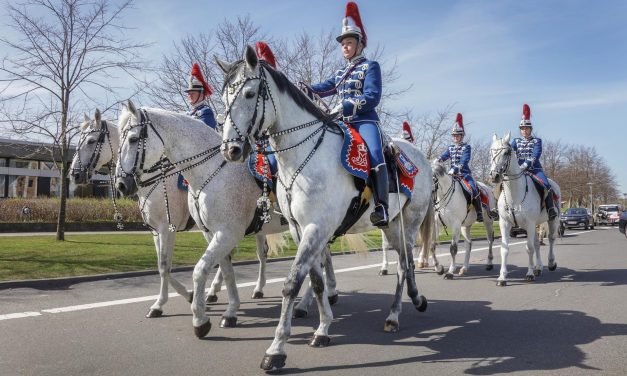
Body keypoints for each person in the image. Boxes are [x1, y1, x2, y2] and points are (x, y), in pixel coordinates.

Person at [302, 2, 388, 227]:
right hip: (341, 124)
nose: (345, 47)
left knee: (376, 154)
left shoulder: (371, 66)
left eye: (349, 43)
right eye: (343, 44)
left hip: (364, 121)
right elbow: (324, 87)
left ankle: (382, 207)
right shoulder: (341, 72)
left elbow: (372, 96)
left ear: (360, 45)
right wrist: (304, 88)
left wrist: (346, 106)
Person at [511, 103, 558, 220]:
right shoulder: (515, 141)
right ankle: (498, 208)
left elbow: (535, 155)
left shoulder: (537, 141)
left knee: (546, 185)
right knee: (503, 184)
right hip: (519, 170)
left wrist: (525, 164)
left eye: (526, 128)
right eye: (522, 129)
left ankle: (550, 208)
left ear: (530, 129)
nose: (524, 131)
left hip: (535, 169)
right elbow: (510, 152)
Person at [435, 113, 484, 222]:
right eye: (454, 135)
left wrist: (455, 168)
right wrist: (437, 160)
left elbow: (464, 160)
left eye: (457, 135)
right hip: (452, 175)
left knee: (473, 188)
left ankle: (479, 212)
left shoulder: (466, 147)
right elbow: (444, 156)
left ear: (462, 136)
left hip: (465, 175)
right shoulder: (451, 148)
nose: (455, 137)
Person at [185, 63, 217, 129]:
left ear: (201, 95)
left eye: (193, 93)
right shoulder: (189, 112)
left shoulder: (205, 111)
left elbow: (203, 134)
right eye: (189, 93)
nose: (190, 95)